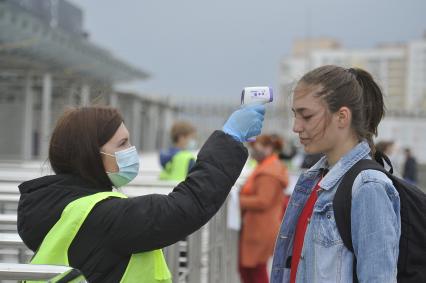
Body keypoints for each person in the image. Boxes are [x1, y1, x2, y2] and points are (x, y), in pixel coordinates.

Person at [17, 104, 266, 283]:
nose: (131, 151)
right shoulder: (103, 216)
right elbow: (185, 207)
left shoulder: (53, 206)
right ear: (91, 154)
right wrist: (229, 139)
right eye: (123, 144)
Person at [270, 65, 400, 283]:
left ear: (342, 117)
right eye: (295, 115)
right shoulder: (315, 180)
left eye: (307, 116)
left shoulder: (368, 187)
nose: (296, 127)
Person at [239, 134, 289, 283]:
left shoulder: (269, 172)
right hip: (259, 227)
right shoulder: (267, 167)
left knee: (256, 271)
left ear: (268, 148)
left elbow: (263, 201)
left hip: (260, 229)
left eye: (255, 147)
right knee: (250, 269)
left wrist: (237, 201)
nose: (253, 150)